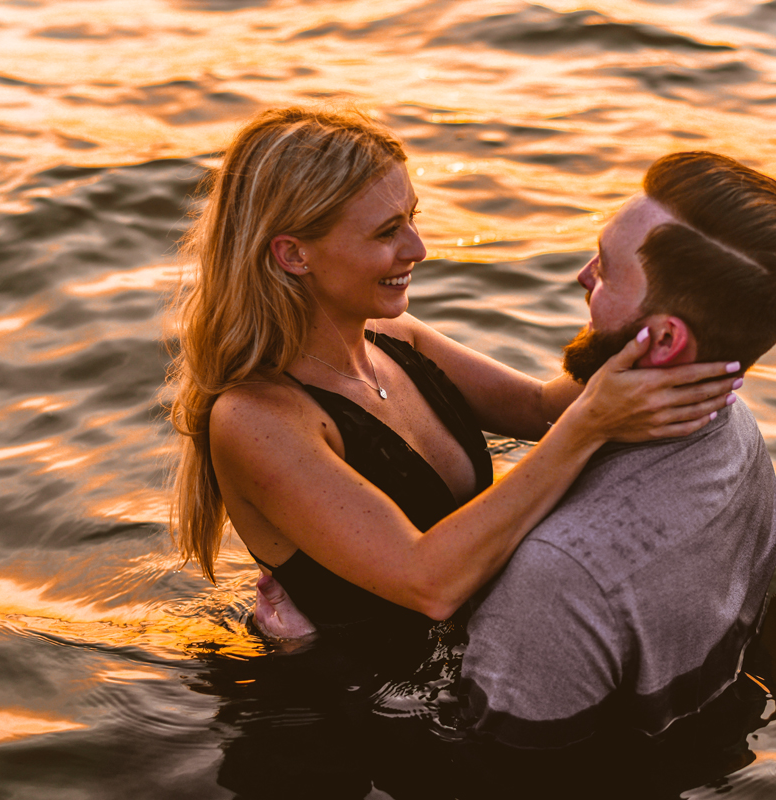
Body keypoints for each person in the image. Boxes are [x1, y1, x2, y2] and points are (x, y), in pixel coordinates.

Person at [167, 107, 741, 643]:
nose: (417, 248)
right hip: (352, 714)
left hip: (473, 659)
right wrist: (590, 425)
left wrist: (666, 325)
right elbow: (429, 583)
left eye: (412, 219)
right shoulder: (255, 418)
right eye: (386, 231)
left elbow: (542, 408)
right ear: (294, 254)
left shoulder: (398, 339)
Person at [458, 151, 776, 748]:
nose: (581, 276)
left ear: (663, 339)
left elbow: (492, 768)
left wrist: (313, 655)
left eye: (604, 270)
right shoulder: (738, 430)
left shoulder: (561, 577)